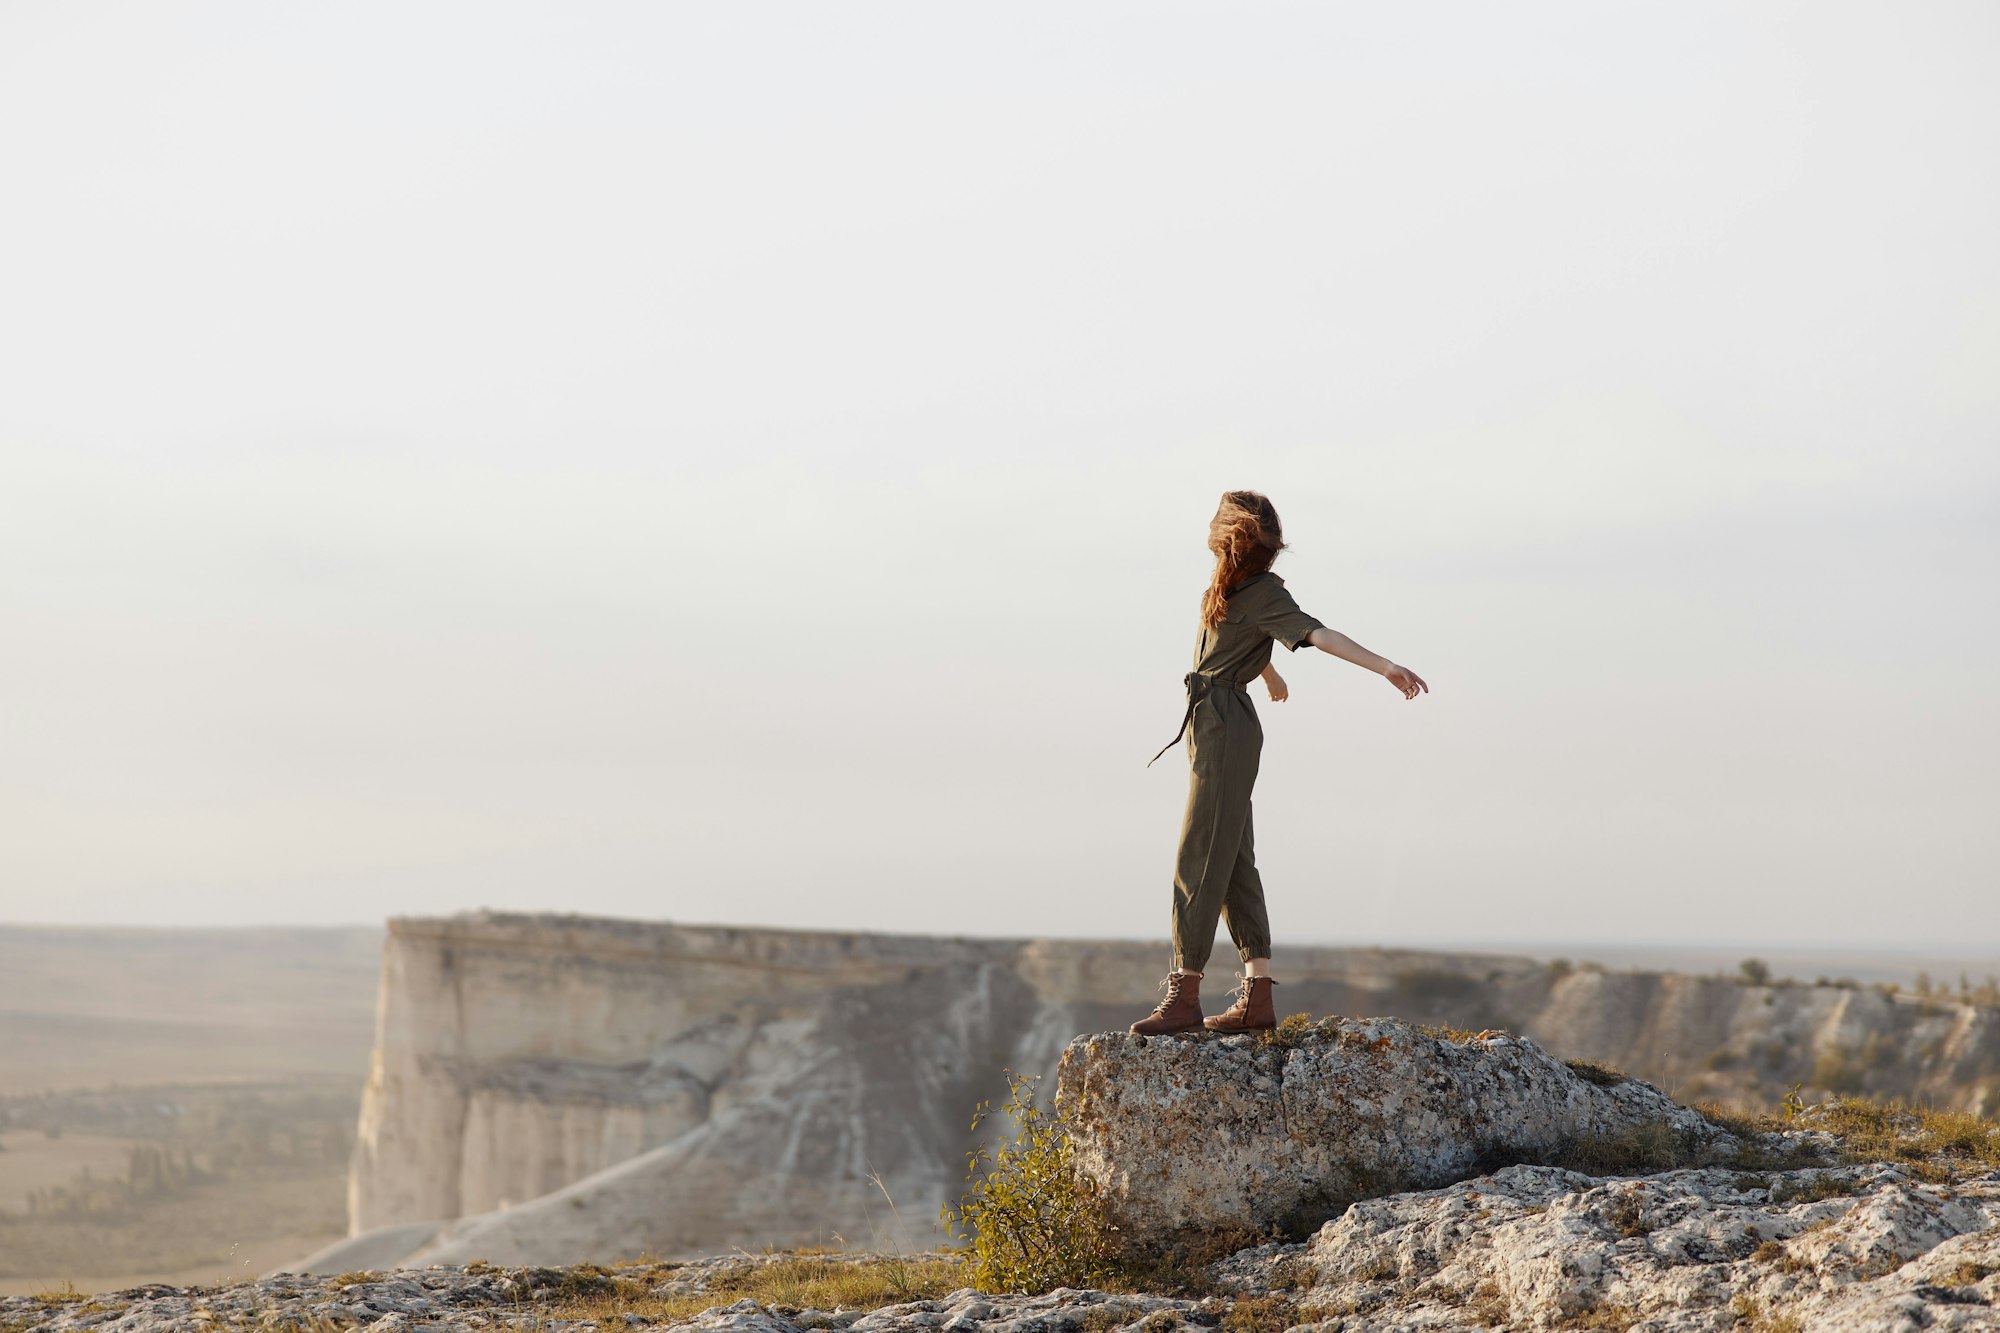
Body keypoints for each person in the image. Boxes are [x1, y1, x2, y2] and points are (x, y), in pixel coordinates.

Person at [1131, 490, 1429, 1036]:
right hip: (1213, 720)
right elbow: (1236, 641)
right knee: (1233, 857)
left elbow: (1317, 633)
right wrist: (1266, 672)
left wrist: (1384, 666)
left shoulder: (1264, 591)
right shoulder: (1226, 588)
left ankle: (1184, 992)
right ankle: (1257, 997)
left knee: (1199, 854)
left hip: (1224, 726)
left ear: (1224, 537)